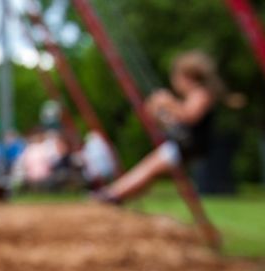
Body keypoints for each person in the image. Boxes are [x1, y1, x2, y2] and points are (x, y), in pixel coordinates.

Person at [94, 51, 225, 204]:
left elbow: (190, 116)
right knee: (150, 169)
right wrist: (159, 113)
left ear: (187, 77)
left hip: (190, 145)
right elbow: (175, 121)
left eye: (176, 78)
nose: (174, 83)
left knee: (148, 168)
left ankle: (113, 195)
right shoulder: (192, 96)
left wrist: (169, 102)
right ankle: (116, 194)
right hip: (184, 145)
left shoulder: (201, 94)